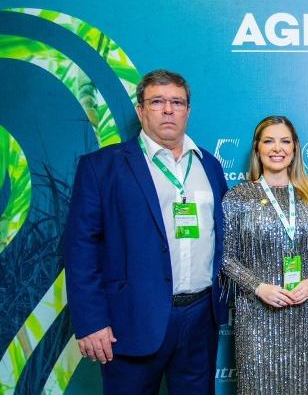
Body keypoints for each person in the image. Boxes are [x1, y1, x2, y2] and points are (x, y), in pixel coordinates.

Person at [63, 69, 228, 394]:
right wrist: (91, 321)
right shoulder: (102, 167)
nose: (168, 110)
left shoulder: (209, 165)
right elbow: (80, 248)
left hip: (200, 318)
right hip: (132, 320)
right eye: (157, 101)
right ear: (140, 110)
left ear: (188, 111)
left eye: (177, 102)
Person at [221, 115, 308, 394]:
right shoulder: (238, 197)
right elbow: (225, 257)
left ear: (295, 148)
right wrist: (258, 287)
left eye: (285, 141)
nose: (277, 148)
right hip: (257, 316)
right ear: (257, 149)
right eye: (269, 141)